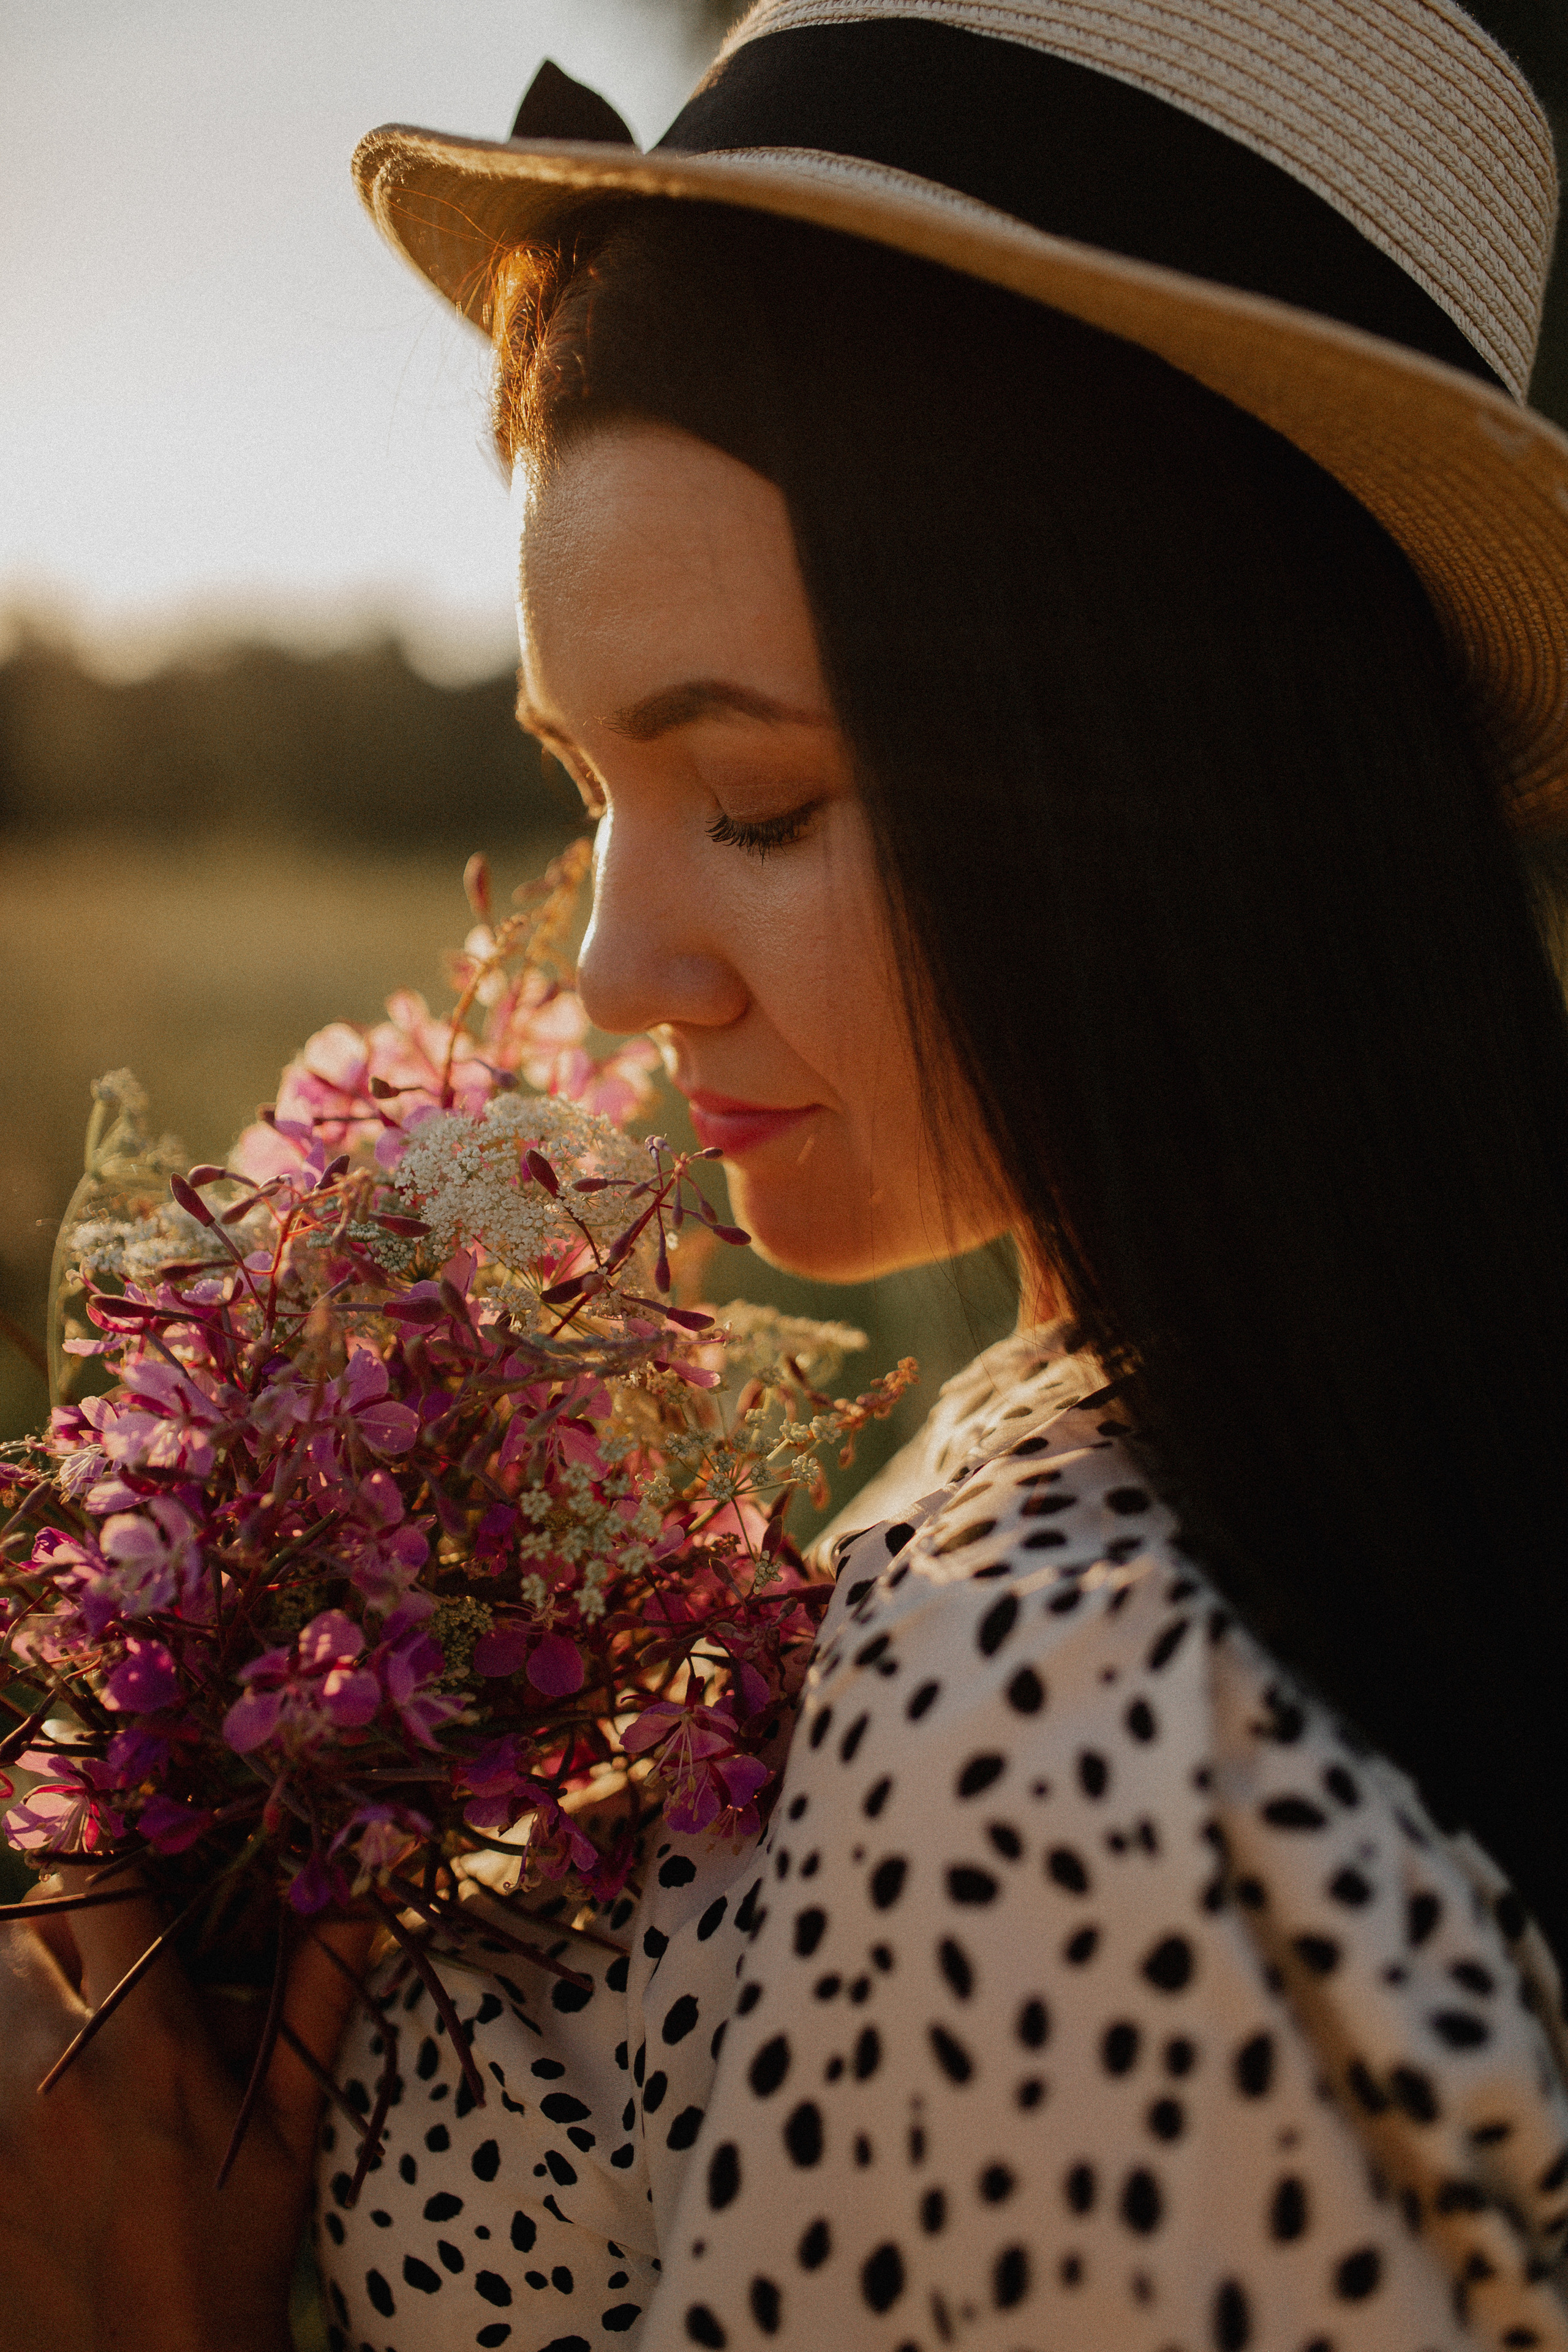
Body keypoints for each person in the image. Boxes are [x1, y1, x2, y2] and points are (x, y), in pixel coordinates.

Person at [6, 1, 1568, 2346]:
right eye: (587, 782)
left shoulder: (1066, 1738)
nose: (624, 966)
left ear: (1176, 778)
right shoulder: (1157, 1487)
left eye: (754, 803)